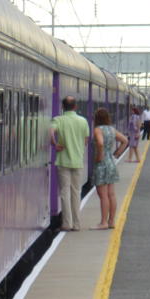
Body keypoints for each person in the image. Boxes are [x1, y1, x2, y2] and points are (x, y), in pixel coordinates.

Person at [51, 95, 90, 232]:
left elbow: (51, 131)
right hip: (77, 161)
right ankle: (77, 224)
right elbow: (86, 140)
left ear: (62, 106)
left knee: (64, 192)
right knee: (76, 192)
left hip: (63, 161)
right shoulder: (83, 121)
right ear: (75, 106)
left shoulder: (58, 120)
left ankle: (67, 223)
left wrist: (54, 143)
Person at [91, 108, 128, 229]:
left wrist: (99, 156)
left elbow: (100, 143)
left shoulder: (97, 130)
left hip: (101, 164)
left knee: (103, 195)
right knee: (111, 194)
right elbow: (125, 140)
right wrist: (117, 154)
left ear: (96, 118)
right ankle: (111, 221)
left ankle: (103, 222)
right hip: (111, 163)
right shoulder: (112, 130)